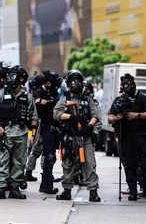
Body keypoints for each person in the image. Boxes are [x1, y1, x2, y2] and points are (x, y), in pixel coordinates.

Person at [108, 73, 146, 201]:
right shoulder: (119, 100)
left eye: (127, 84)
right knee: (129, 166)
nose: (125, 87)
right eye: (123, 84)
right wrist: (117, 118)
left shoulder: (142, 98)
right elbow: (109, 117)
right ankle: (133, 191)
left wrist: (136, 115)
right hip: (126, 137)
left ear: (132, 84)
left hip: (142, 136)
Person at [0, 66, 38, 199]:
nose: (10, 79)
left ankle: (15, 188)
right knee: (2, 161)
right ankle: (0, 188)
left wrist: (32, 135)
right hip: (5, 133)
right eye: (9, 76)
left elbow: (34, 117)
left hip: (21, 134)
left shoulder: (27, 96)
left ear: (21, 79)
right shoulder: (1, 93)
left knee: (20, 162)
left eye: (14, 76)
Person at [53, 70, 101, 202]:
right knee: (68, 164)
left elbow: (95, 115)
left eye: (78, 81)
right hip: (70, 137)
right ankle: (67, 191)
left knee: (89, 164)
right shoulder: (65, 98)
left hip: (85, 137)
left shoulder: (87, 98)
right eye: (73, 81)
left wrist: (89, 126)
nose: (76, 84)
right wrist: (71, 117)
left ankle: (93, 192)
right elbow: (56, 114)